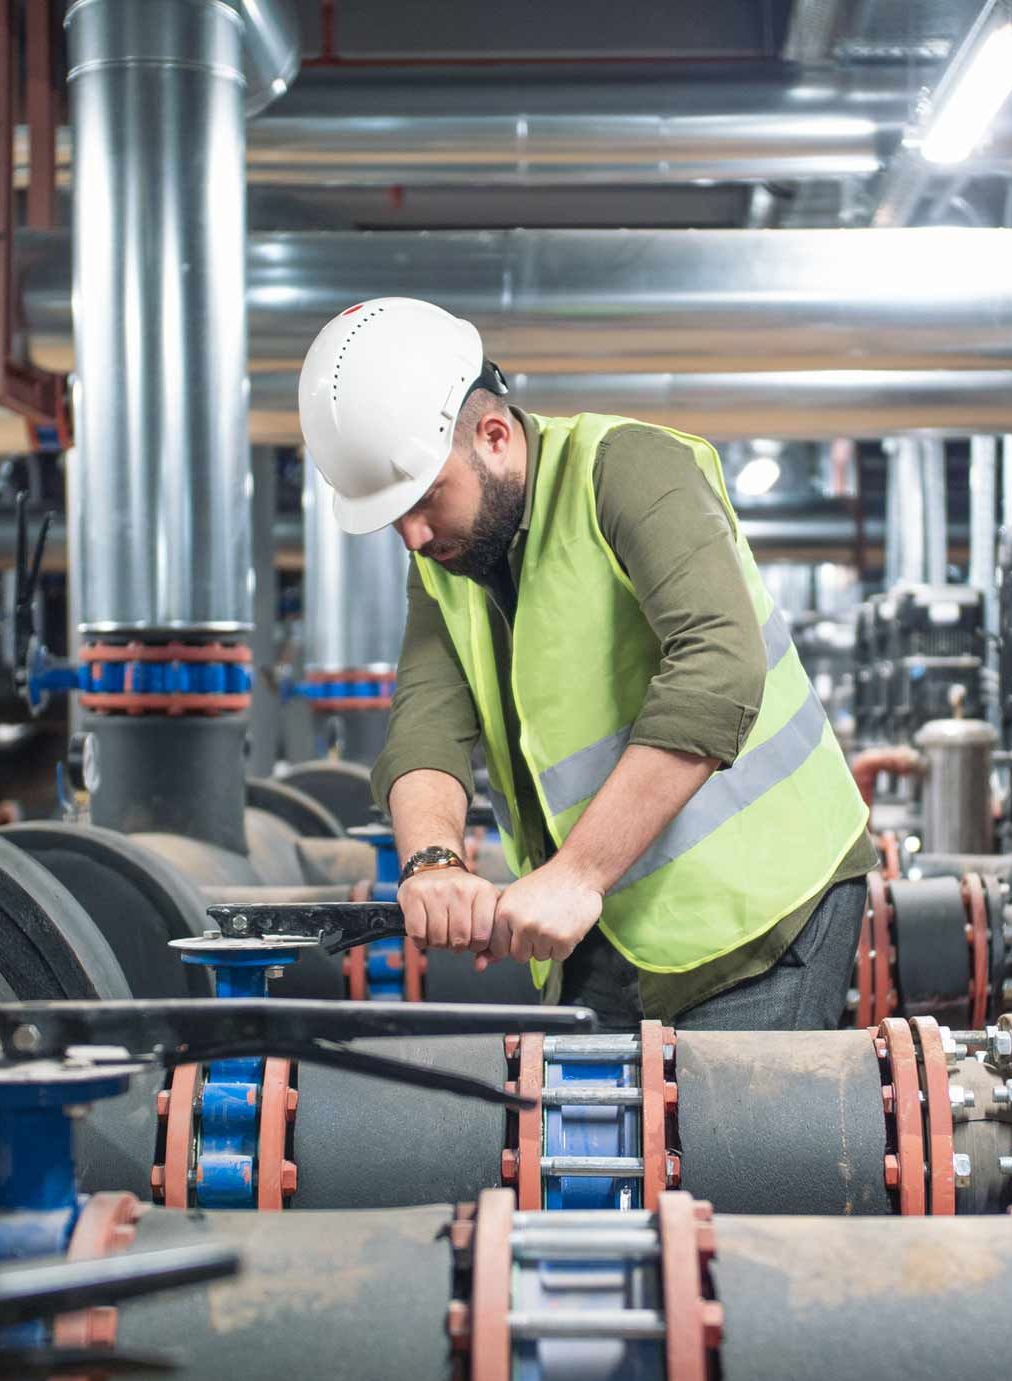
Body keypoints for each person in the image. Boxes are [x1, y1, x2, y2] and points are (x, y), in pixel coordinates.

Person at [297, 297, 874, 1029]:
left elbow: (718, 666)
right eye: (393, 518)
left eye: (427, 498)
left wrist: (576, 875)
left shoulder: (628, 469)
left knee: (726, 1143)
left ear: (495, 436)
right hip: (603, 928)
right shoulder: (447, 559)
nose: (413, 535)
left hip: (762, 911)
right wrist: (432, 864)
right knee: (592, 1140)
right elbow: (424, 728)